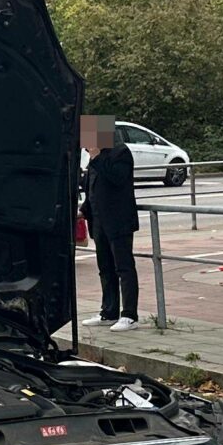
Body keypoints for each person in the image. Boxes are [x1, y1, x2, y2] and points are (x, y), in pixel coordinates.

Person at [82, 139, 140, 331]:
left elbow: (117, 179)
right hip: (98, 220)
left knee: (123, 267)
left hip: (118, 219)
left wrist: (96, 157)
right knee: (105, 267)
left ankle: (129, 315)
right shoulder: (94, 157)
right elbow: (91, 186)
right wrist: (84, 210)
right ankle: (109, 311)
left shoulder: (120, 152)